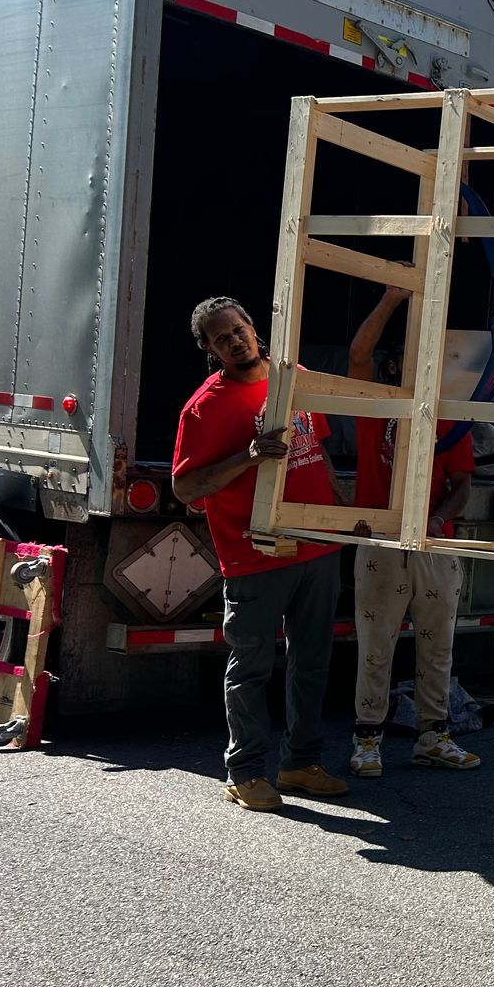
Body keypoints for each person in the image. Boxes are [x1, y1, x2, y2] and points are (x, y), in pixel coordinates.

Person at [172, 297, 350, 812]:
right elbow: (186, 487)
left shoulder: (292, 378)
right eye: (221, 337)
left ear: (254, 328)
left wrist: (339, 507)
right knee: (251, 666)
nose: (235, 340)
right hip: (255, 553)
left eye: (239, 329)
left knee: (312, 661)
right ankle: (246, 771)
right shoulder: (204, 407)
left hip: (315, 545)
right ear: (209, 349)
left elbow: (318, 447)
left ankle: (300, 762)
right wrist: (247, 457)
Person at [346, 285, 481, 777]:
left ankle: (433, 735)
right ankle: (367, 740)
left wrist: (439, 518)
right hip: (381, 538)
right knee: (376, 644)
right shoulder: (377, 406)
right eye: (407, 361)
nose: (418, 371)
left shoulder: (446, 415)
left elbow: (463, 484)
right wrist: (389, 299)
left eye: (428, 363)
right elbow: (358, 354)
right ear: (393, 368)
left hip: (434, 543)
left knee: (437, 642)